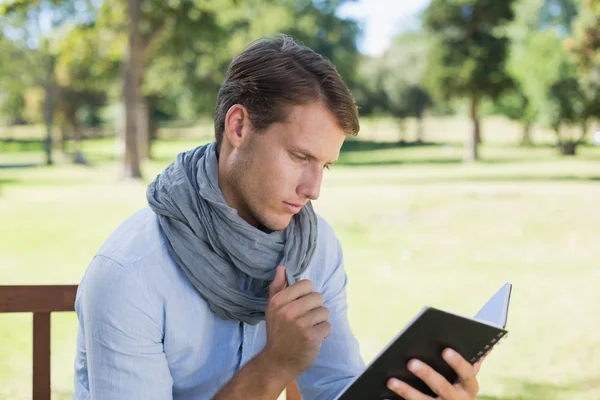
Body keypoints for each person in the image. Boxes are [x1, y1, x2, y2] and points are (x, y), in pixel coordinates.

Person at [72, 35, 484, 400]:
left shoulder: (315, 247)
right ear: (238, 127)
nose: (313, 189)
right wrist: (275, 365)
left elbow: (335, 387)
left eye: (325, 165)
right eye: (301, 157)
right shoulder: (129, 274)